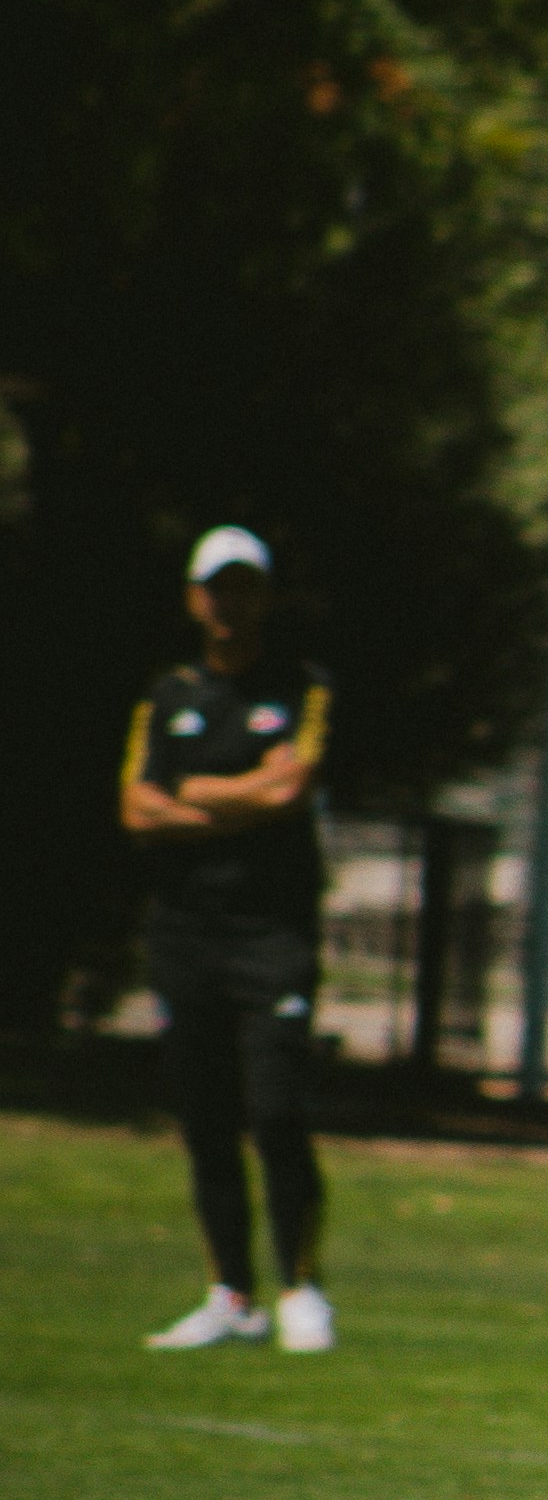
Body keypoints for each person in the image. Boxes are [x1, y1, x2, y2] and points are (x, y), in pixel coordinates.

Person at [120, 527, 337, 1353]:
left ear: (265, 596)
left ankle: (302, 1286)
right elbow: (136, 808)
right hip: (186, 934)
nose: (229, 603)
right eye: (216, 586)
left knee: (277, 1112)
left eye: (244, 586)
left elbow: (290, 789)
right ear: (193, 597)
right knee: (206, 1118)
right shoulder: (167, 695)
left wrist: (197, 792)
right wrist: (235, 794)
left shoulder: (301, 688)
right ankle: (231, 1293)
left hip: (271, 933)